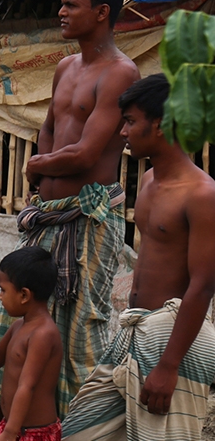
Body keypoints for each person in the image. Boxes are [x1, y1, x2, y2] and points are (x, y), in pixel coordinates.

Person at [0, 0, 140, 431]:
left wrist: (37, 165)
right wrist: (41, 169)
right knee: (13, 321)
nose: (60, 11)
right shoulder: (67, 66)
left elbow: (86, 153)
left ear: (101, 13)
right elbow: (48, 127)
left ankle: (72, 430)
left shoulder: (121, 72)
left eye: (71, 4)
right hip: (48, 216)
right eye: (61, 3)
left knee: (77, 333)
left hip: (86, 221)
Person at [61, 74, 215, 440]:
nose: (122, 133)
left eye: (130, 122)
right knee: (79, 431)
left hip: (173, 338)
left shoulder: (202, 194)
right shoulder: (147, 182)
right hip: (135, 329)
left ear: (160, 125)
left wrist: (169, 365)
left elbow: (204, 284)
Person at [0, 247, 63, 441]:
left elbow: (27, 386)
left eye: (3, 290)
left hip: (33, 433)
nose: (0, 296)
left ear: (24, 295)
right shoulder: (18, 326)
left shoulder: (43, 334)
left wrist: (10, 432)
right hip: (12, 426)